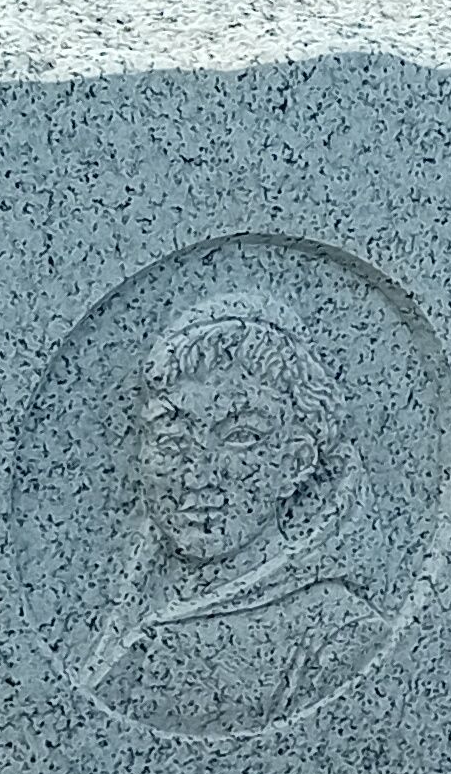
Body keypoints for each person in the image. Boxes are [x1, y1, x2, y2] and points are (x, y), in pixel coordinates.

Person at [79, 291, 388, 729]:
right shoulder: (131, 610)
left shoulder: (336, 637)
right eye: (171, 441)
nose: (199, 474)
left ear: (296, 461)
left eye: (240, 437)